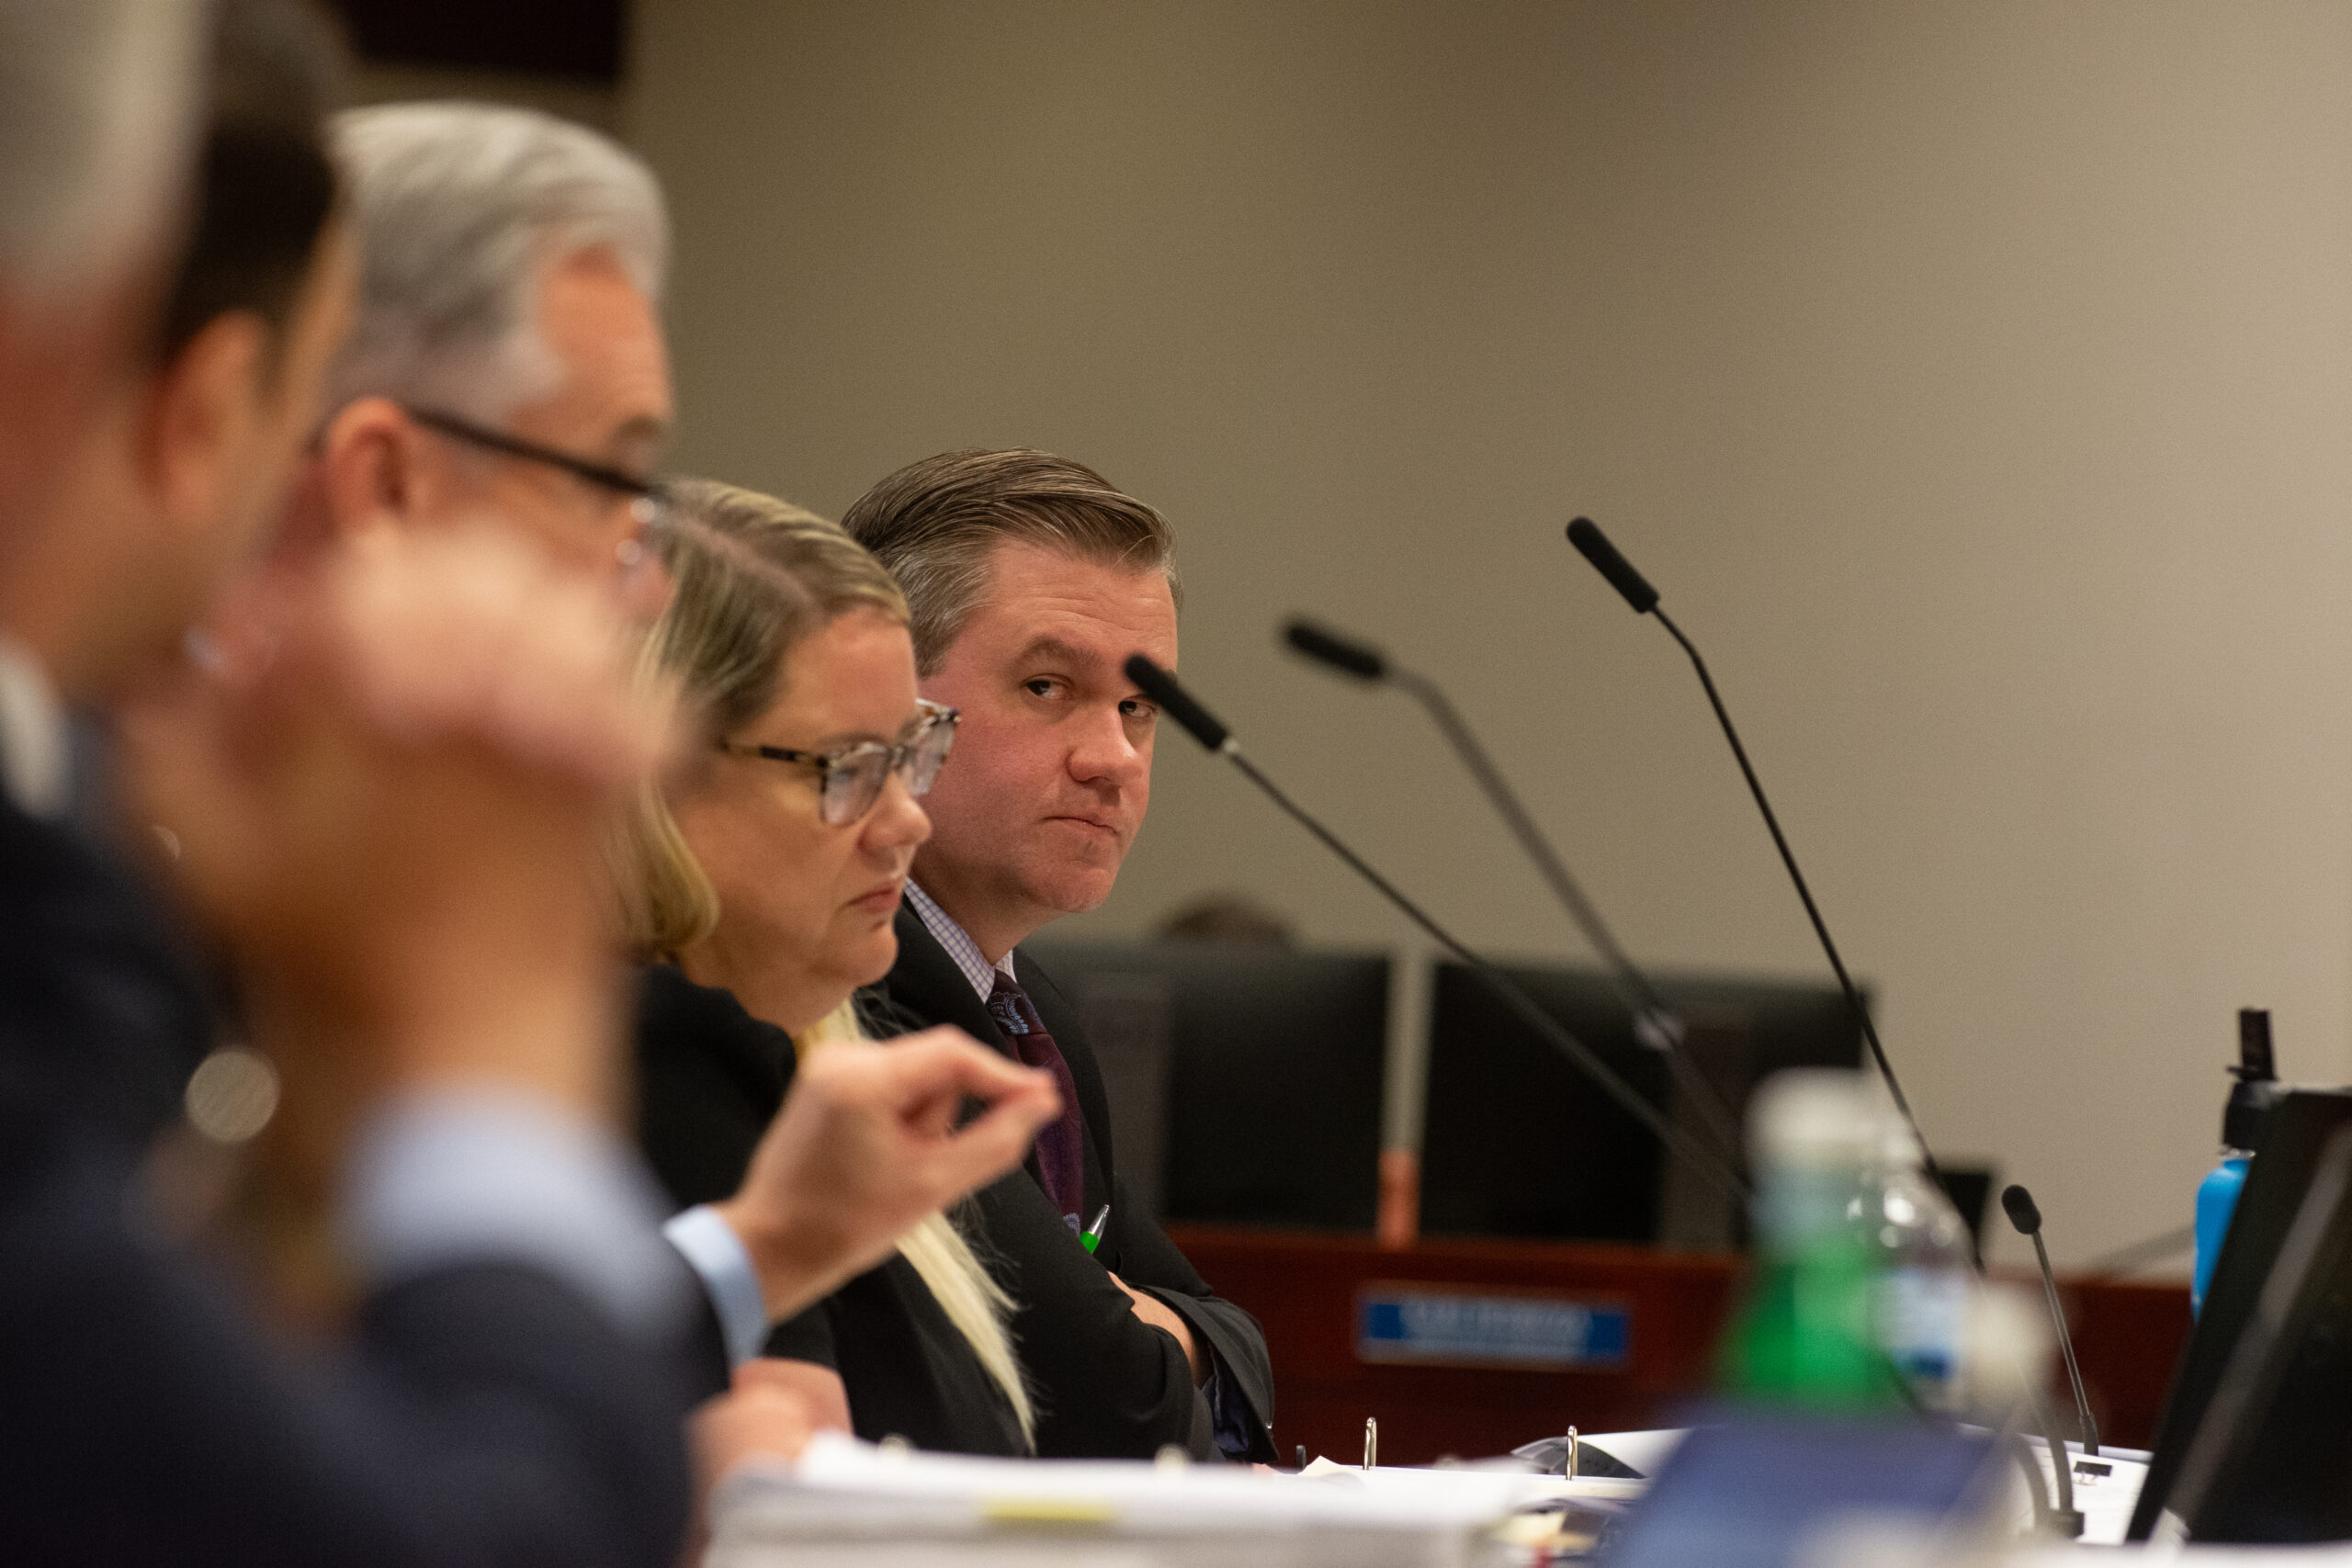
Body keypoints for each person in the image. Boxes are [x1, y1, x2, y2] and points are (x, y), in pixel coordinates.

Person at [0, 4, 1059, 1559]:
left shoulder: (117, 831)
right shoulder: (88, 879)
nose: (644, 591)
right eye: (618, 488)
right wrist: (485, 1023)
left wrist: (753, 1249)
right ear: (371, 476)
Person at [843, 447, 1277, 1461]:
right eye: (1048, 687)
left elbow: (1237, 1346)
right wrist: (1166, 1341)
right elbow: (1116, 1394)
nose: (1114, 758)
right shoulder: (843, 995)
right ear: (879, 701)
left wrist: (1173, 1338)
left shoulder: (1033, 1011)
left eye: (1139, 707)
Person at [627, 479, 1037, 1454]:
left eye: (911, 752)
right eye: (846, 766)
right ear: (652, 768)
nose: (906, 822)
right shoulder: (663, 1064)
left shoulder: (815, 1061)